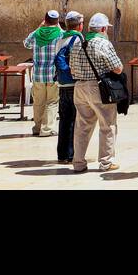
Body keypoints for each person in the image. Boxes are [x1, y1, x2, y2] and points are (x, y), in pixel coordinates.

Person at [70, 12, 123, 173]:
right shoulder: (103, 44)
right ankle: (106, 162)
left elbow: (72, 69)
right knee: (107, 125)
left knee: (82, 126)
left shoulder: (78, 43)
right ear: (102, 28)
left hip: (79, 87)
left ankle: (78, 162)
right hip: (98, 88)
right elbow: (118, 68)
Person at [23, 10, 65, 137]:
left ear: (45, 19)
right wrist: (58, 26)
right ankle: (46, 129)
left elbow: (26, 44)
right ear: (57, 21)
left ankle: (37, 127)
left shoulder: (36, 34)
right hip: (53, 74)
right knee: (52, 102)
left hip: (38, 74)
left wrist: (39, 27)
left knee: (38, 101)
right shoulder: (60, 34)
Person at [55, 12, 84, 164]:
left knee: (64, 120)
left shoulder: (60, 39)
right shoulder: (78, 38)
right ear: (79, 25)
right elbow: (79, 59)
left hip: (62, 83)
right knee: (74, 120)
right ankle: (72, 154)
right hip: (74, 83)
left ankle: (61, 154)